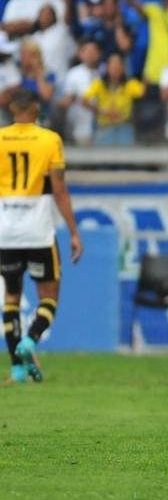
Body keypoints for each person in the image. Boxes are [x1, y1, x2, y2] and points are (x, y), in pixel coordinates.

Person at [0, 88, 84, 383]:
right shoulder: (50, 140)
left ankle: (17, 369)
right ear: (36, 108)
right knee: (49, 296)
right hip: (38, 230)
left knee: (11, 296)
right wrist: (74, 232)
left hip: (6, 231)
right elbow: (59, 190)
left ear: (12, 109)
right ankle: (30, 340)